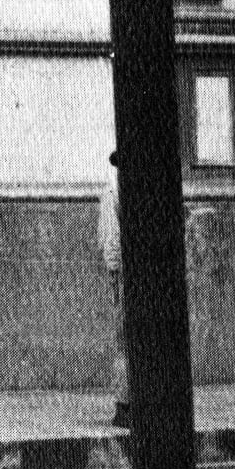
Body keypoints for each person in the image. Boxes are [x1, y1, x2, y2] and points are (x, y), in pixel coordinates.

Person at [97, 150, 129, 425]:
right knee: (125, 340)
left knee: (128, 341)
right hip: (126, 274)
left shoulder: (119, 193)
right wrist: (118, 272)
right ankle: (124, 404)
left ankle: (130, 403)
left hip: (132, 273)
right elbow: (112, 242)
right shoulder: (113, 194)